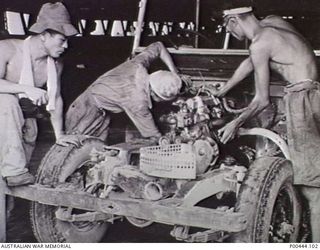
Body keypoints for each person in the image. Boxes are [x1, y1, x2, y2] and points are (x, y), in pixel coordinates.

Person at [214, 6, 320, 242]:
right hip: (315, 94)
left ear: (232, 21)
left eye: (227, 28)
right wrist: (224, 89)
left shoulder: (259, 43)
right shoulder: (273, 22)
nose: (230, 34)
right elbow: (252, 61)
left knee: (312, 190)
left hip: (301, 99)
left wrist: (235, 123)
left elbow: (261, 100)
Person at [0, 2, 79, 186]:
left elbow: (56, 98)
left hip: (23, 118)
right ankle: (14, 169)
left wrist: (59, 135)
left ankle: (11, 195)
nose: (66, 46)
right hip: (3, 114)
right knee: (6, 101)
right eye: (62, 40)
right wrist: (26, 88)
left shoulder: (56, 64)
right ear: (44, 35)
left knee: (15, 183)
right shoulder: (7, 49)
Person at [65, 41, 182, 142]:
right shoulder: (138, 102)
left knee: (98, 151)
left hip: (99, 106)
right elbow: (153, 135)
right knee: (76, 148)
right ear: (153, 93)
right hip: (86, 111)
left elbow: (158, 46)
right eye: (162, 100)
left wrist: (174, 72)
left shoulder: (138, 65)